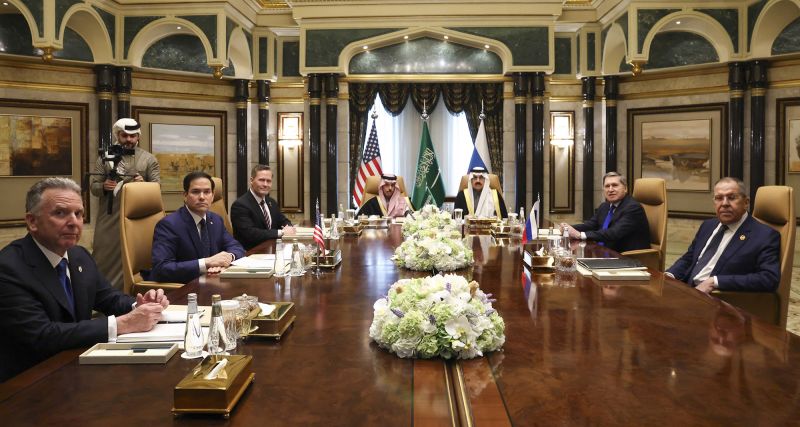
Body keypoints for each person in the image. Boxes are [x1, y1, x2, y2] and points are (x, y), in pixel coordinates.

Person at [0, 178, 168, 382]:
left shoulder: (79, 255)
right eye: (60, 213)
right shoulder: (9, 268)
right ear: (32, 221)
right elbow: (42, 335)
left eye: (78, 214)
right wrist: (122, 324)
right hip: (29, 380)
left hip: (73, 366)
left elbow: (108, 298)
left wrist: (139, 304)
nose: (74, 222)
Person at [666, 177, 780, 294]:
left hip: (717, 298)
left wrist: (715, 282)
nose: (724, 203)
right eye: (719, 198)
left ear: (746, 203)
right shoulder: (708, 225)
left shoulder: (765, 235)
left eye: (732, 197)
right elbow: (689, 258)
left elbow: (768, 278)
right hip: (687, 290)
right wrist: (669, 275)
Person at [90, 118, 160, 291]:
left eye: (132, 136)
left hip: (138, 219)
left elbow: (156, 189)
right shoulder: (105, 158)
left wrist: (143, 184)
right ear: (118, 135)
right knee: (103, 256)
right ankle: (103, 296)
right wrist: (104, 186)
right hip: (110, 217)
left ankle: (133, 295)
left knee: (136, 257)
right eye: (124, 135)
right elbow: (93, 187)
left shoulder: (149, 159)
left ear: (138, 137)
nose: (129, 139)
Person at [151, 171, 245, 283]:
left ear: (212, 196)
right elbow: (161, 269)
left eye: (207, 192)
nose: (202, 197)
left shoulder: (216, 220)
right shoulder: (169, 225)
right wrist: (206, 263)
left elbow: (236, 247)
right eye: (195, 192)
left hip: (212, 281)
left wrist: (228, 257)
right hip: (184, 287)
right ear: (185, 195)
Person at [560, 171, 650, 252]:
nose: (610, 190)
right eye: (607, 186)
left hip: (625, 257)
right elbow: (590, 225)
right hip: (603, 252)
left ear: (625, 188)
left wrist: (580, 235)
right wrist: (568, 228)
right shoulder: (604, 206)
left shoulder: (633, 208)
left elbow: (613, 233)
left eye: (615, 185)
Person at [230, 165, 295, 250]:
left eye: (268, 181)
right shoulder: (240, 205)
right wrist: (281, 232)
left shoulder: (271, 202)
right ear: (251, 180)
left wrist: (289, 227)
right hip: (251, 253)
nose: (265, 184)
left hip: (272, 250)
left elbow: (283, 220)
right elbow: (250, 234)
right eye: (261, 180)